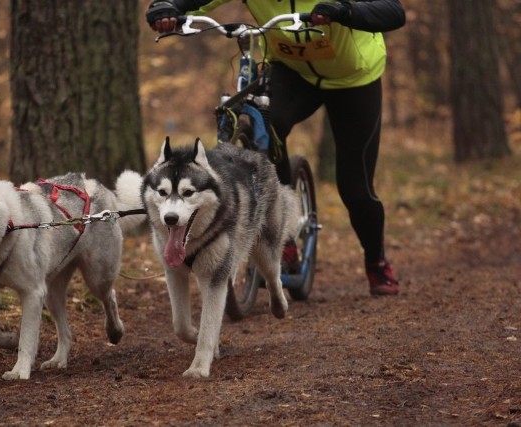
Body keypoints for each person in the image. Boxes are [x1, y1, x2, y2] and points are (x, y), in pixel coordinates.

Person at [145, 0, 406, 296]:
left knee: (355, 188)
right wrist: (166, 8)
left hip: (354, 78)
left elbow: (393, 11)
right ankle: (283, 235)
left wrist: (345, 11)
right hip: (293, 73)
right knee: (265, 125)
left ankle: (376, 260)